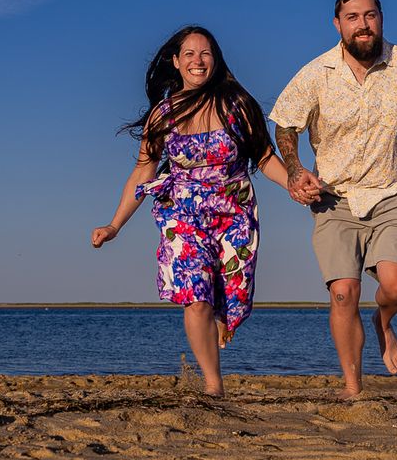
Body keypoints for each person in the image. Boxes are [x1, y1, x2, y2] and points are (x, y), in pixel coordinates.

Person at [271, 0, 397, 397]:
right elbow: (285, 124)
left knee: (396, 284)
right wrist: (296, 168)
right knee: (343, 293)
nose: (363, 25)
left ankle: (384, 322)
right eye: (352, 18)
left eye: (370, 15)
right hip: (334, 196)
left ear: (381, 18)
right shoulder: (316, 73)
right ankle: (353, 388)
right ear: (337, 24)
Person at [92, 26, 296, 397]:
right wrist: (115, 224)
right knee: (196, 294)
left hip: (233, 213)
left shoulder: (237, 105)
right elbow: (143, 171)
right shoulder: (163, 115)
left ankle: (222, 317)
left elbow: (265, 159)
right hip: (181, 213)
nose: (197, 61)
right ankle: (213, 386)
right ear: (176, 61)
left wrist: (295, 184)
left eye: (205, 53)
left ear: (215, 60)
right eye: (189, 54)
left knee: (230, 296)